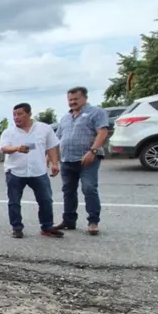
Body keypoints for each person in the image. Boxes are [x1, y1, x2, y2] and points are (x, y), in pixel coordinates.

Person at [0, 103, 63, 238]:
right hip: (15, 171)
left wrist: (54, 163)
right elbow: (4, 148)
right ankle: (17, 228)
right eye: (14, 115)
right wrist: (17, 148)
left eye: (20, 114)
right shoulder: (9, 132)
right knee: (14, 202)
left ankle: (47, 227)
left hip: (38, 171)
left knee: (46, 200)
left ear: (29, 114)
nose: (16, 117)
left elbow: (51, 146)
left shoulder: (44, 129)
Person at [53, 86, 108, 236]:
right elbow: (57, 139)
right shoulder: (65, 117)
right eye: (70, 100)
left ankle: (93, 222)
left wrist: (93, 151)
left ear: (85, 98)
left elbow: (102, 132)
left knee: (89, 188)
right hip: (67, 160)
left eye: (76, 99)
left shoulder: (96, 112)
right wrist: (52, 158)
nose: (72, 102)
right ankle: (68, 221)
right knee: (68, 191)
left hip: (88, 159)